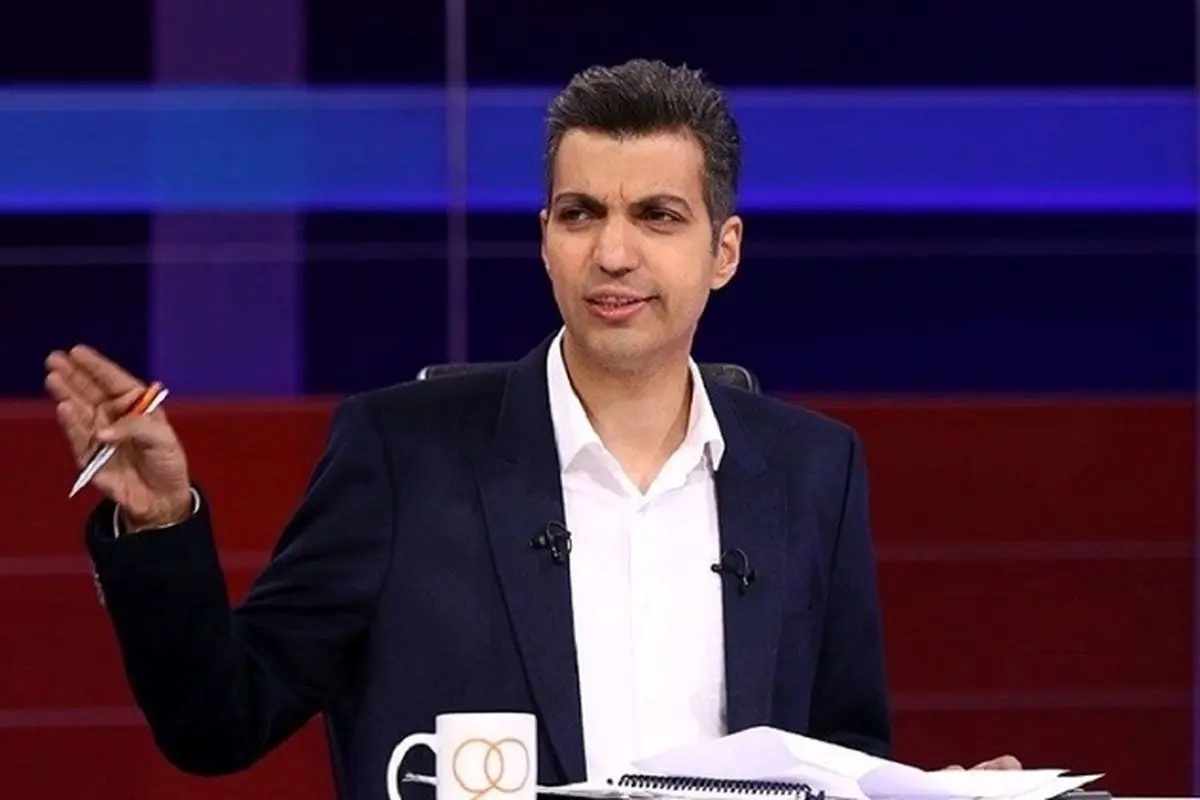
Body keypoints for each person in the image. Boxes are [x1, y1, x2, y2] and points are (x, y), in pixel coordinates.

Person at [44, 59, 1018, 800]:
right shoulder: (401, 455)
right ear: (545, 239)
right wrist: (160, 525)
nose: (614, 252)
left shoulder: (811, 470)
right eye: (581, 213)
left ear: (723, 250)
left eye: (658, 216)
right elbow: (218, 722)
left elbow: (841, 758)